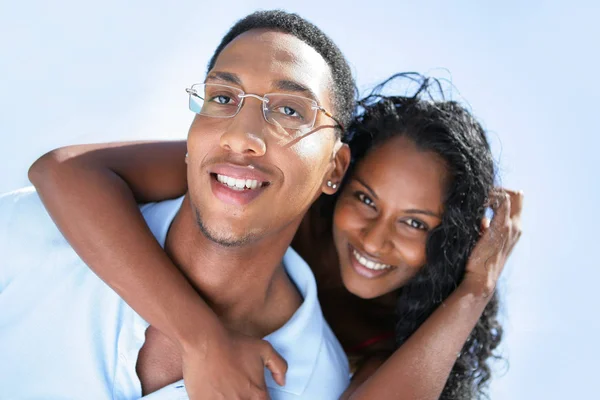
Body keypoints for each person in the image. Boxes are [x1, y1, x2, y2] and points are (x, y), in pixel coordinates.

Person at [29, 72, 523, 399]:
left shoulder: (395, 334)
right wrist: (204, 339)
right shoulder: (280, 189)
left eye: (415, 222)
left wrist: (474, 290)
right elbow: (63, 173)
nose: (376, 239)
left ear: (449, 241)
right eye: (366, 199)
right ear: (335, 174)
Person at [0, 10, 358, 399]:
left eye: (290, 110)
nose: (240, 137)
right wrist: (202, 340)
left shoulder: (318, 382)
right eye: (222, 98)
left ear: (333, 168)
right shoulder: (27, 230)